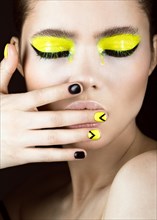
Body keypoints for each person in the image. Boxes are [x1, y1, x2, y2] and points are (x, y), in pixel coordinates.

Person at [0, 0, 157, 219]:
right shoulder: (25, 200)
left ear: (153, 55)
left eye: (118, 49)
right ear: (16, 60)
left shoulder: (149, 179)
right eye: (53, 50)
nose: (85, 78)